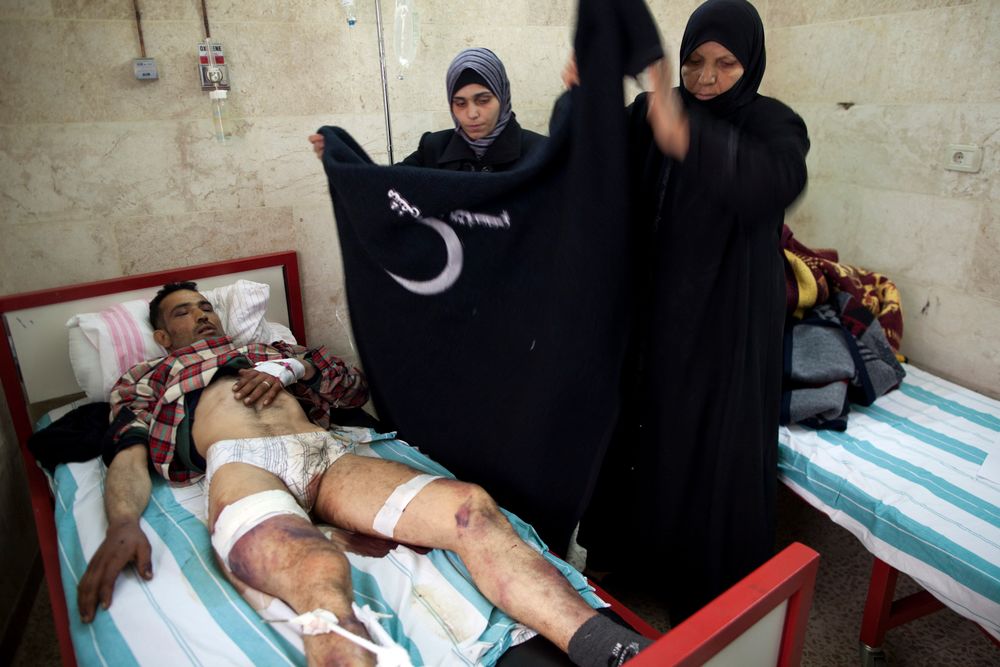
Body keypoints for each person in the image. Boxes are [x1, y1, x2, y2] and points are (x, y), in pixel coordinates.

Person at [76, 281, 651, 666]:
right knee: (314, 568)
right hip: (243, 465)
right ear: (160, 334)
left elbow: (353, 388)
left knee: (470, 508)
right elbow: (126, 455)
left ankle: (612, 648)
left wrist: (290, 365)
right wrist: (122, 522)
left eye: (206, 306)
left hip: (325, 455)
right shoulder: (147, 378)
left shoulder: (269, 349)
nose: (201, 315)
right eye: (184, 311)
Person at [569, 0, 810, 624]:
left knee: (705, 448)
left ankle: (702, 592)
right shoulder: (653, 110)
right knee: (639, 436)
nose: (704, 78)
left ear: (750, 61)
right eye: (694, 61)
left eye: (724, 63)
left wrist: (691, 137)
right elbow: (590, 159)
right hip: (651, 318)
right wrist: (587, 94)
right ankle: (630, 560)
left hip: (723, 328)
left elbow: (771, 181)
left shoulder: (774, 124)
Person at [309, 47, 545, 171]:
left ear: (502, 97)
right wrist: (341, 159)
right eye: (460, 103)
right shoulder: (434, 148)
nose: (471, 114)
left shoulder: (540, 153)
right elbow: (384, 187)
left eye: (483, 100)